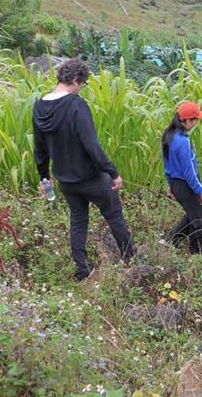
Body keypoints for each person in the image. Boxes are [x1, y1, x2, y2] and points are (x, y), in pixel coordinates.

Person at [33, 58, 135, 281]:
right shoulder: (76, 105)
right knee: (114, 214)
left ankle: (82, 271)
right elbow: (91, 145)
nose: (81, 89)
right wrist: (113, 172)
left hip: (66, 181)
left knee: (78, 221)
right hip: (90, 178)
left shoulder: (39, 106)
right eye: (83, 84)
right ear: (76, 81)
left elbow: (39, 149)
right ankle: (131, 261)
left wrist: (44, 177)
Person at [163, 101, 202, 255]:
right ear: (185, 121)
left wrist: (171, 186)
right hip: (186, 185)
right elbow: (189, 172)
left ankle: (171, 241)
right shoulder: (182, 142)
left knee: (193, 215)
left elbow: (167, 165)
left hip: (178, 185)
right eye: (195, 119)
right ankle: (201, 256)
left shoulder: (169, 136)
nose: (196, 123)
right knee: (201, 221)